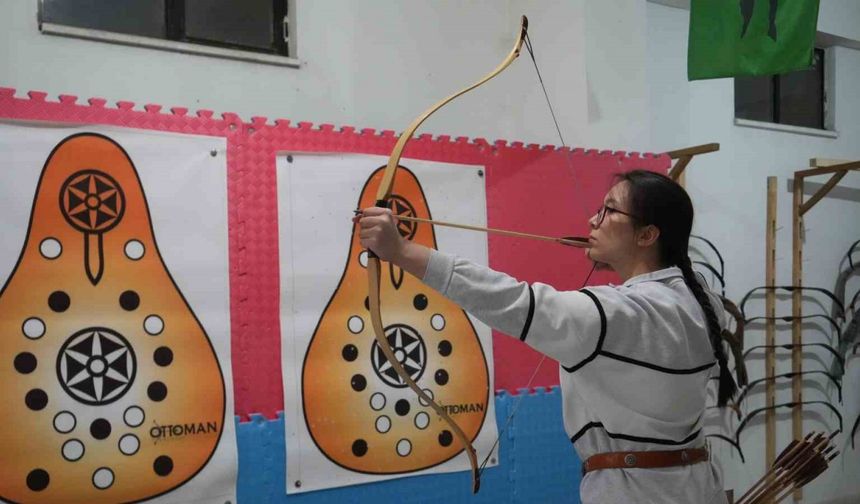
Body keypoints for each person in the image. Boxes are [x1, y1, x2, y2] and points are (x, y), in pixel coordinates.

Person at [356, 169, 735, 503]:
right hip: (695, 485)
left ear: (648, 234)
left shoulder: (621, 316)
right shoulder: (702, 302)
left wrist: (402, 251)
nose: (593, 219)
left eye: (609, 210)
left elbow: (517, 302)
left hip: (638, 493)